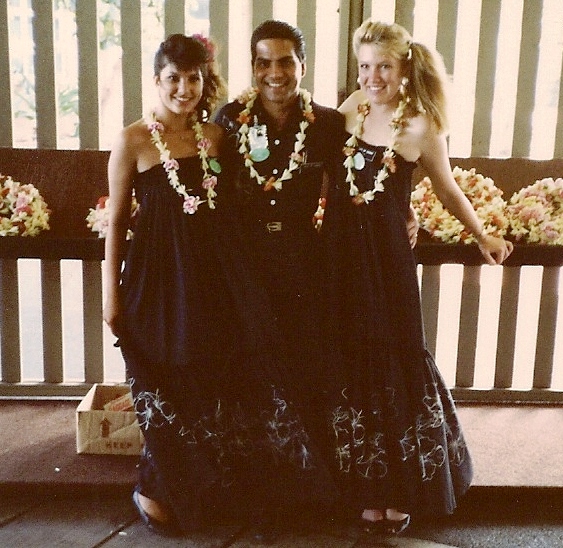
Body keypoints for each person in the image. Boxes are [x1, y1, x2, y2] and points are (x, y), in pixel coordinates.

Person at [103, 33, 334, 537]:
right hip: (159, 277)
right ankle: (154, 485)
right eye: (173, 79)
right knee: (164, 375)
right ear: (156, 81)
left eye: (193, 78)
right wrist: (110, 293)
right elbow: (117, 220)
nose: (183, 89)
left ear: (204, 82)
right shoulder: (134, 140)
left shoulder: (216, 137)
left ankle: (204, 485)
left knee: (208, 378)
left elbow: (236, 204)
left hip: (211, 276)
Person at [331, 20, 514, 534]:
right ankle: (367, 488)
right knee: (353, 362)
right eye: (364, 66)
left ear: (404, 66)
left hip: (385, 260)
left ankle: (404, 489)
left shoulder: (422, 126)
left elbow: (448, 187)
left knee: (395, 358)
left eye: (383, 67)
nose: (372, 76)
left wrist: (483, 236)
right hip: (342, 256)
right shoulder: (351, 108)